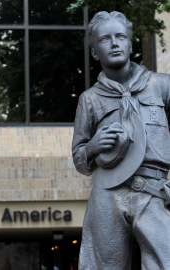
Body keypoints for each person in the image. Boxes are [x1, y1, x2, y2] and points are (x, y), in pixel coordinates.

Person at [72, 11, 170, 270]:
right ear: (95, 52)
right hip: (108, 193)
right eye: (105, 39)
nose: (114, 43)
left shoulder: (160, 86)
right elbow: (79, 158)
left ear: (130, 43)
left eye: (120, 37)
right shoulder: (90, 99)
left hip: (153, 190)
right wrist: (92, 147)